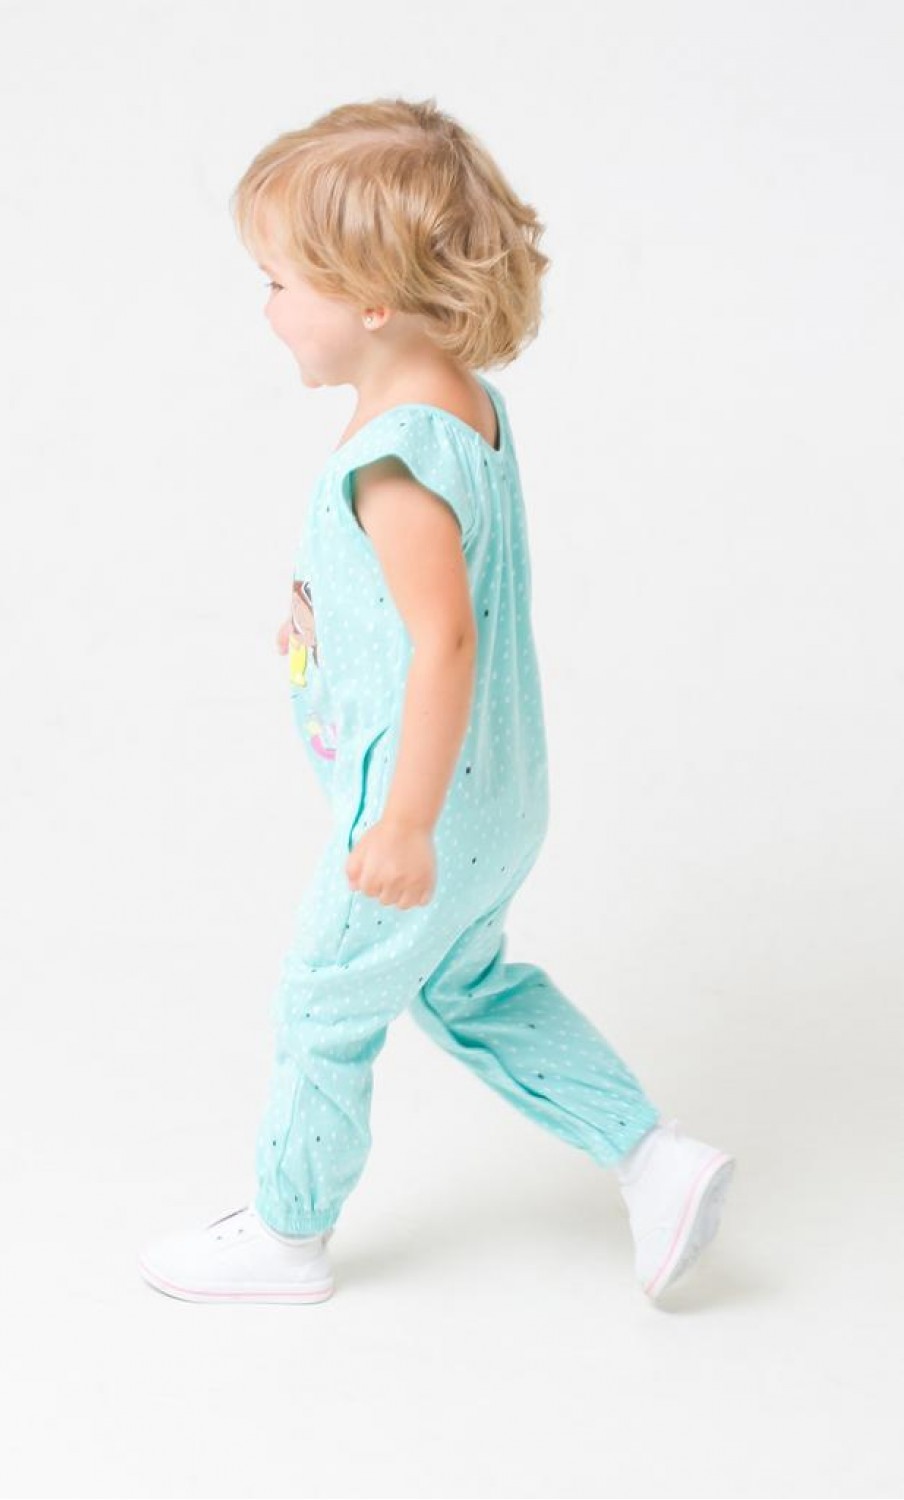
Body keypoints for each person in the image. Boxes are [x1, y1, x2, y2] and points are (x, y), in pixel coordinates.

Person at [138, 96, 735, 1308]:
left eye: (278, 282)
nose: (266, 308)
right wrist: (320, 629)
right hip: (497, 793)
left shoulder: (393, 464)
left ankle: (287, 1235)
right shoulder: (465, 407)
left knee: (323, 1002)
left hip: (425, 808)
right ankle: (653, 1158)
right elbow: (426, 604)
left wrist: (402, 823)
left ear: (369, 297)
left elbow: (445, 640)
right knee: (467, 989)